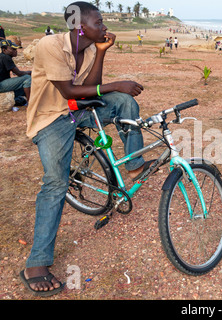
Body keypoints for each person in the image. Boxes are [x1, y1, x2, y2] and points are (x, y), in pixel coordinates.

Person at [22, 1, 149, 297]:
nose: (104, 27)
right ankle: (36, 264)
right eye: (99, 22)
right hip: (50, 118)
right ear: (80, 26)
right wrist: (118, 83)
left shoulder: (91, 48)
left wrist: (101, 53)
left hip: (76, 109)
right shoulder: (49, 45)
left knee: (126, 103)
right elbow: (68, 91)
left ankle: (133, 167)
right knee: (56, 183)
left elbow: (92, 88)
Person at [0, 39, 31, 106]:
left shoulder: (2, 56)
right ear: (4, 50)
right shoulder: (6, 57)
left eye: (15, 49)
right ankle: (31, 103)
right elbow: (19, 73)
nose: (15, 51)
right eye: (12, 49)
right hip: (1, 85)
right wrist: (30, 72)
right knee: (27, 78)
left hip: (2, 83)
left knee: (22, 87)